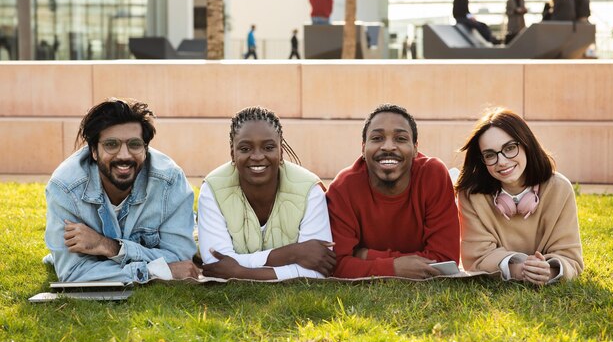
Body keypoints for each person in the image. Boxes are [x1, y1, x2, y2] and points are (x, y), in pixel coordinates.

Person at [44, 98, 199, 283]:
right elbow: (73, 273)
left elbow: (181, 259)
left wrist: (109, 247)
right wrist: (154, 271)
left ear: (146, 148)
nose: (124, 156)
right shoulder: (66, 188)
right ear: (93, 150)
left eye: (134, 144)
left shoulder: (169, 181)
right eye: (111, 144)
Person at [198, 106, 335, 280]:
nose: (257, 156)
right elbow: (215, 264)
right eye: (245, 149)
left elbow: (317, 270)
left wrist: (239, 272)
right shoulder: (213, 189)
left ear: (281, 151)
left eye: (268, 147)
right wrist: (291, 254)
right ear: (232, 153)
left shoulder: (309, 190)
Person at [326, 104, 460, 279]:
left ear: (415, 149)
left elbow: (444, 260)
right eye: (377, 138)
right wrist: (393, 268)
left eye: (401, 139)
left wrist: (366, 256)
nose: (388, 147)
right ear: (363, 148)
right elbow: (338, 265)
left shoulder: (433, 175)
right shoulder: (343, 188)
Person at [455, 109, 584, 285]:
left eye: (509, 148)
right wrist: (520, 270)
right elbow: (475, 259)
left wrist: (549, 271)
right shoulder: (471, 195)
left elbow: (571, 258)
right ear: (482, 160)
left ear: (526, 144)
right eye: (490, 155)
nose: (501, 161)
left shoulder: (560, 189)